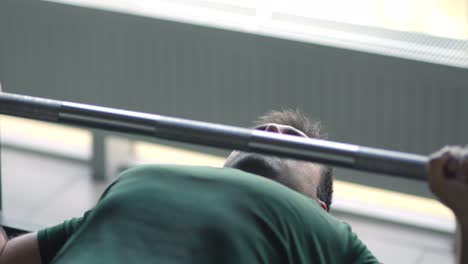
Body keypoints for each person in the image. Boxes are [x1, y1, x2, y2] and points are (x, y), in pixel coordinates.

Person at [0, 110, 465, 264]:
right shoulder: (140, 180)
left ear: (321, 204)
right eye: (264, 131)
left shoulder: (330, 239)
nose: (275, 135)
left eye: (295, 141)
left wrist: (464, 209)